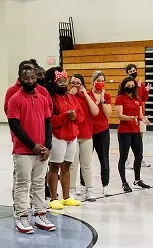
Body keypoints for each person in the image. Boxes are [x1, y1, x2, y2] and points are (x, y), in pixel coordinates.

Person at [7, 64, 56, 235]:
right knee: (23, 184)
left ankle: (40, 214)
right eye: (26, 78)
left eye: (33, 78)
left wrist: (48, 146)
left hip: (42, 150)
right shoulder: (15, 99)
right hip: (23, 151)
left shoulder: (42, 99)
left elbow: (48, 123)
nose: (30, 81)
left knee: (39, 183)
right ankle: (21, 216)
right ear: (20, 79)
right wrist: (32, 145)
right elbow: (15, 126)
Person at [44, 67, 82, 210]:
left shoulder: (71, 97)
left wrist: (75, 116)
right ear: (53, 83)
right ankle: (53, 198)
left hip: (72, 136)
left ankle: (66, 197)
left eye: (64, 81)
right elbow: (50, 120)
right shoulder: (51, 99)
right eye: (59, 81)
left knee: (67, 166)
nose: (62, 83)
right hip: (57, 136)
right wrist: (65, 116)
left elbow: (81, 115)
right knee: (55, 166)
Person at [68, 73, 100, 202]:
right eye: (73, 83)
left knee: (86, 164)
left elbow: (95, 112)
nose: (75, 85)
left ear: (82, 84)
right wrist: (70, 95)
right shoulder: (68, 96)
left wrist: (85, 94)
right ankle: (71, 189)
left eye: (78, 83)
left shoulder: (88, 96)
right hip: (73, 135)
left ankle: (89, 189)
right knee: (73, 164)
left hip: (86, 135)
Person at [115, 76, 150, 192]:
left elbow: (139, 115)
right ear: (124, 86)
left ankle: (137, 179)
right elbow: (119, 115)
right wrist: (130, 118)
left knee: (139, 156)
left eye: (132, 85)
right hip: (124, 132)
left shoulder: (137, 99)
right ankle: (124, 182)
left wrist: (144, 119)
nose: (130, 87)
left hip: (135, 131)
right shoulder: (120, 98)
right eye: (128, 85)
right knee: (123, 157)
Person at [88, 71, 113, 197]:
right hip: (88, 131)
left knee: (104, 158)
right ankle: (84, 184)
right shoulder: (87, 95)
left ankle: (106, 184)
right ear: (93, 82)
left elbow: (108, 114)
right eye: (98, 80)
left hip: (102, 131)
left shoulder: (107, 96)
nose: (100, 83)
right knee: (86, 159)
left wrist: (102, 99)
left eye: (103, 81)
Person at [125, 63, 152, 168]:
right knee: (128, 139)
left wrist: (146, 91)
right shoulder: (127, 84)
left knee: (139, 139)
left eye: (134, 70)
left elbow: (143, 99)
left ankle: (140, 158)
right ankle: (126, 159)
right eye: (131, 71)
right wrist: (138, 88)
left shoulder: (141, 83)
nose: (133, 72)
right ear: (127, 73)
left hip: (140, 114)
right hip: (130, 115)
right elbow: (133, 97)